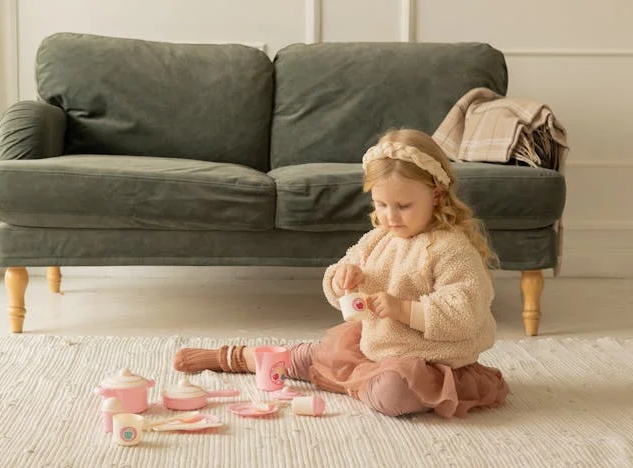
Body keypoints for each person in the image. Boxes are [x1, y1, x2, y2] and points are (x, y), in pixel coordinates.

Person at [173, 129, 509, 418]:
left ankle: (351, 380)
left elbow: (465, 314)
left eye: (403, 206)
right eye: (380, 204)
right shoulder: (378, 239)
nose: (390, 216)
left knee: (393, 392)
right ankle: (238, 357)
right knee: (319, 354)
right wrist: (341, 278)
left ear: (436, 195)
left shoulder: (451, 248)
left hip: (432, 363)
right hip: (376, 348)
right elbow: (342, 277)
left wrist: (403, 309)